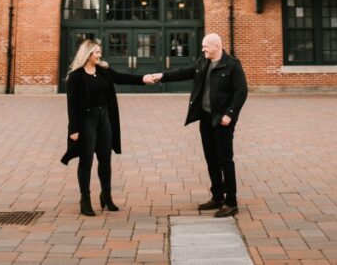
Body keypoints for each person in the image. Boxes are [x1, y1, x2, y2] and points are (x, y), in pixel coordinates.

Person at [147, 33, 248, 217]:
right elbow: (184, 72)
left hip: (222, 120)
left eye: (205, 46)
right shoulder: (203, 63)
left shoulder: (232, 65)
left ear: (216, 46)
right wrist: (162, 75)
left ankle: (231, 202)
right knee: (211, 158)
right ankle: (217, 196)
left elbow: (241, 91)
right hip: (206, 119)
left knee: (225, 160)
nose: (202, 49)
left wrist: (230, 114)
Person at [61, 39, 157, 216]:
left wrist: (143, 78)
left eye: (99, 52)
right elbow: (72, 104)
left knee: (105, 159)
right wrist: (74, 129)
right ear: (88, 54)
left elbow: (122, 77)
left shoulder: (103, 71)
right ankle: (85, 199)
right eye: (97, 52)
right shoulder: (76, 76)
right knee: (86, 160)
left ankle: (106, 196)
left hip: (104, 119)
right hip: (86, 120)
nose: (99, 55)